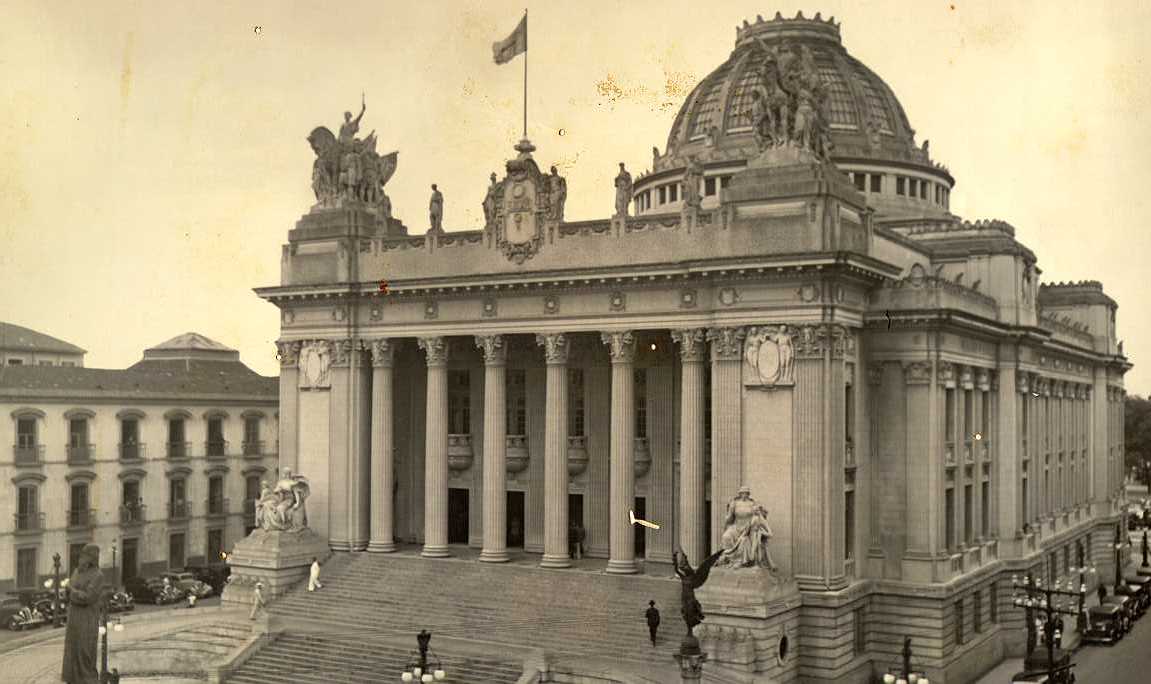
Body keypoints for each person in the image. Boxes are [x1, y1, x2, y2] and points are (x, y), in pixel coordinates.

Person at [61, 544, 104, 684]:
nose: (81, 558)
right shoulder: (76, 572)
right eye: (81, 555)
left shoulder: (98, 576)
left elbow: (88, 597)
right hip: (73, 617)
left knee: (84, 649)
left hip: (87, 619)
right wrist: (67, 592)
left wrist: (71, 591)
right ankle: (72, 679)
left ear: (91, 558)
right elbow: (71, 590)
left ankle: (86, 679)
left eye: (85, 556)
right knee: (72, 648)